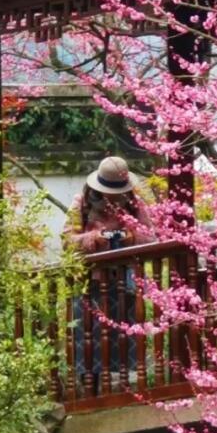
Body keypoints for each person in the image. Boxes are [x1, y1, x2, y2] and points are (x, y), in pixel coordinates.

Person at [64, 156, 155, 392]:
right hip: (90, 283)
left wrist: (130, 237)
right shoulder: (81, 204)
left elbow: (151, 238)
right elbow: (67, 241)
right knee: (88, 338)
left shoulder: (135, 205)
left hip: (125, 283)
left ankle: (125, 388)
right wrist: (95, 238)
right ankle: (89, 388)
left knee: (123, 338)